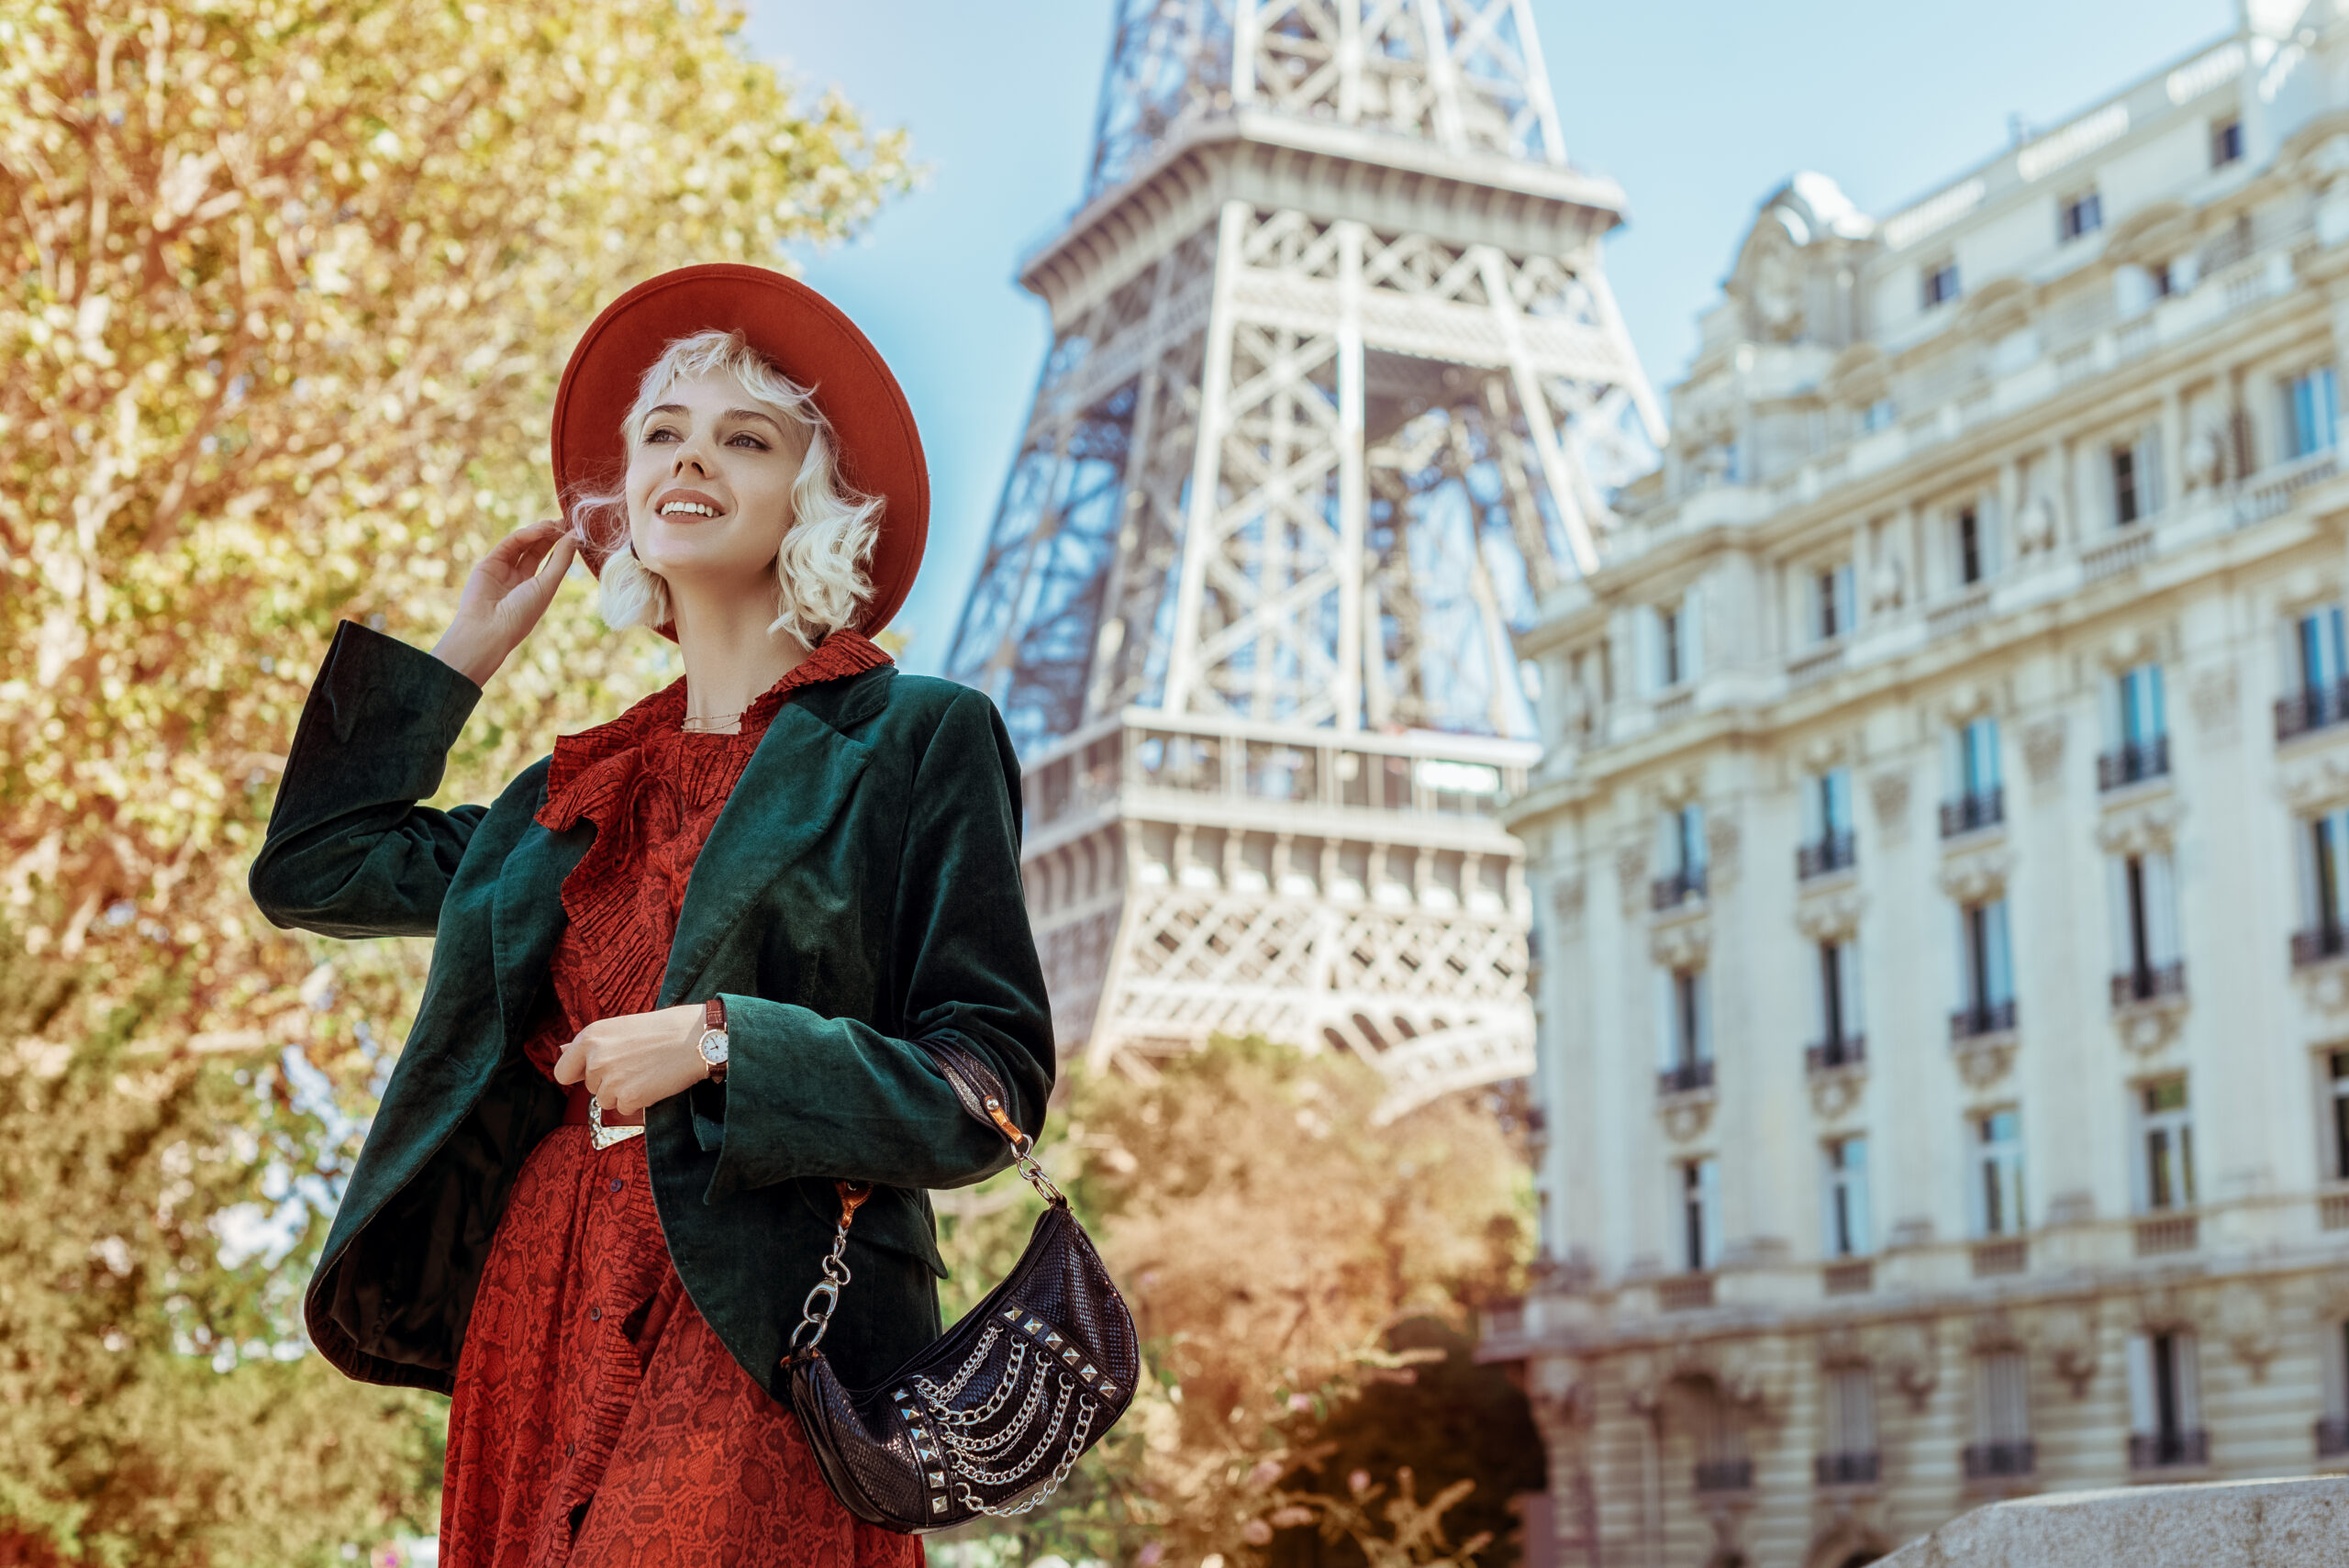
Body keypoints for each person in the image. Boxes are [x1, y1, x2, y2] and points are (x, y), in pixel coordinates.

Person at [249, 264, 1053, 1565]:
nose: (693, 457)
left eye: (747, 437)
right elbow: (319, 865)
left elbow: (990, 1078)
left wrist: (728, 1041)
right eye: (662, 433)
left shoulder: (914, 738)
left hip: (763, 1315)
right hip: (541, 1295)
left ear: (818, 496)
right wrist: (463, 652)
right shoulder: (565, 798)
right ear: (623, 495)